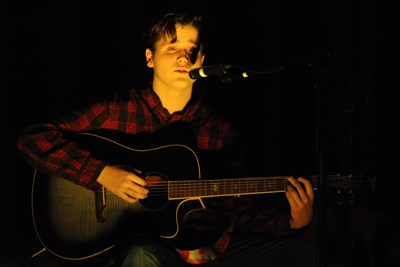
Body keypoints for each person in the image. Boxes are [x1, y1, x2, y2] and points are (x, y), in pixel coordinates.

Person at [17, 11, 316, 267]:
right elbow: (33, 139)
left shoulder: (219, 130)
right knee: (141, 255)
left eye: (191, 48)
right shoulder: (119, 110)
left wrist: (292, 222)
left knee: (307, 253)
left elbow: (235, 207)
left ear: (202, 59)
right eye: (172, 47)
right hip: (140, 249)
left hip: (205, 251)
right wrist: (102, 173)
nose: (184, 56)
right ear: (150, 58)